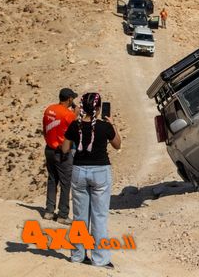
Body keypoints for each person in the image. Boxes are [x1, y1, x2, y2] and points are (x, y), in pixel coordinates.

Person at [62, 93, 121, 268]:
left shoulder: (75, 125)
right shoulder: (104, 127)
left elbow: (65, 149)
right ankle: (100, 258)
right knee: (99, 217)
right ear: (98, 108)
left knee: (79, 217)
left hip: (79, 171)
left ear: (83, 107)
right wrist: (113, 125)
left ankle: (78, 256)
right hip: (100, 172)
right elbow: (117, 144)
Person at [42, 88, 78, 224]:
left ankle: (49, 211)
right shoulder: (68, 115)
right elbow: (76, 131)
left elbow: (44, 130)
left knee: (52, 180)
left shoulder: (49, 110)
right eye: (72, 99)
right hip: (62, 152)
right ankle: (63, 215)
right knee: (65, 183)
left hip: (49, 149)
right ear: (69, 99)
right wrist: (75, 114)